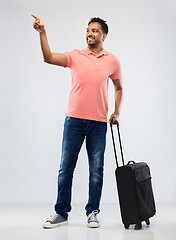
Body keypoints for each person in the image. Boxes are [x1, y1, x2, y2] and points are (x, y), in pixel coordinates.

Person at [31, 14, 123, 228]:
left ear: (104, 35)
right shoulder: (75, 56)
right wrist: (43, 33)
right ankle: (61, 213)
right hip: (73, 121)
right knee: (65, 168)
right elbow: (49, 57)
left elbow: (119, 88)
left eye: (95, 30)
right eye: (88, 30)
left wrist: (116, 112)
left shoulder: (112, 60)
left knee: (96, 169)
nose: (90, 34)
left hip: (98, 124)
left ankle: (92, 212)